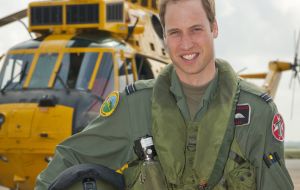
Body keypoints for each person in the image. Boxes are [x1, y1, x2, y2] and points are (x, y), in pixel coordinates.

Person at [35, 0, 294, 189]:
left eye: (196, 29)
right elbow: (72, 157)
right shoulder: (134, 106)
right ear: (164, 37)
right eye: (175, 32)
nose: (186, 43)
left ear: (214, 28)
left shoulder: (257, 111)